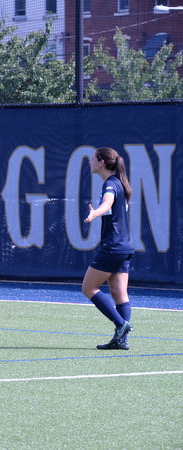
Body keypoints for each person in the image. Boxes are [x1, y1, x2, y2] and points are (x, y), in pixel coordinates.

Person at [82, 147, 134, 350]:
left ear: (102, 162)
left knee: (88, 288)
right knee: (119, 293)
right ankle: (121, 340)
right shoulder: (120, 183)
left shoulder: (111, 184)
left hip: (113, 246)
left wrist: (95, 213)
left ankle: (121, 325)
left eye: (93, 159)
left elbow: (107, 203)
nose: (90, 162)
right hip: (125, 246)